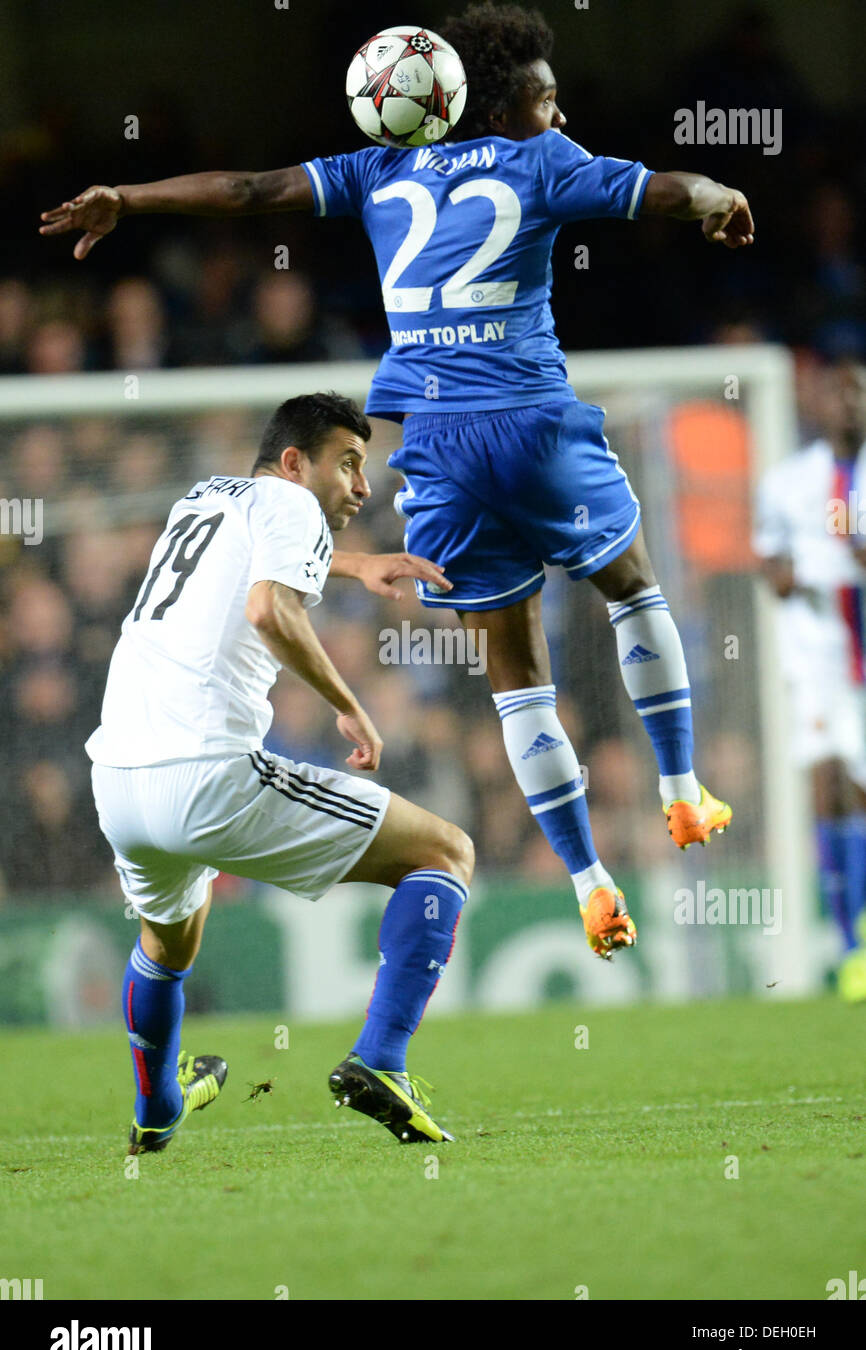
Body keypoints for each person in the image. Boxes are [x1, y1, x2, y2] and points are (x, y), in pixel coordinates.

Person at [41, 3, 752, 961]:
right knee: (634, 586)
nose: (560, 107)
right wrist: (715, 193)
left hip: (433, 447)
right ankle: (680, 791)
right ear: (502, 105)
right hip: (532, 419)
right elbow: (669, 192)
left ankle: (588, 881)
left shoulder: (378, 169)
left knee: (514, 671)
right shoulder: (544, 158)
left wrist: (129, 197)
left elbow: (250, 192)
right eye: (548, 95)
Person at [85, 391, 474, 1151]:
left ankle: (159, 1104)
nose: (363, 487)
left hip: (120, 780)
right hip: (205, 774)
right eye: (350, 464)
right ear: (295, 462)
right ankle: (381, 1061)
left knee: (168, 944)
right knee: (444, 852)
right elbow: (269, 609)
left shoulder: (204, 498)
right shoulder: (293, 504)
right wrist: (349, 704)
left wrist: (356, 565)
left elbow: (249, 567)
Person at [753, 358, 866, 1002]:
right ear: (818, 405)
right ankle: (849, 944)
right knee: (827, 784)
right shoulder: (789, 481)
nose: (848, 403)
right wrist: (788, 579)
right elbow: (770, 561)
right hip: (819, 657)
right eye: (838, 392)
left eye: (858, 391)